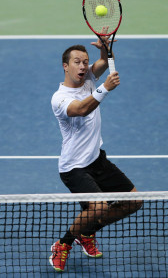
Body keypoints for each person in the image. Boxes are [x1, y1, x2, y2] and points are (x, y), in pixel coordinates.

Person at [50, 31, 143, 272]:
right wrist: (105, 88)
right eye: (76, 62)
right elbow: (81, 109)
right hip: (74, 168)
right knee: (99, 207)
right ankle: (63, 244)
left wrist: (104, 47)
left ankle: (87, 233)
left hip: (96, 160)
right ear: (65, 66)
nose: (82, 66)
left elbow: (102, 62)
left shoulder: (89, 75)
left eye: (84, 61)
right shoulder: (59, 98)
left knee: (134, 202)